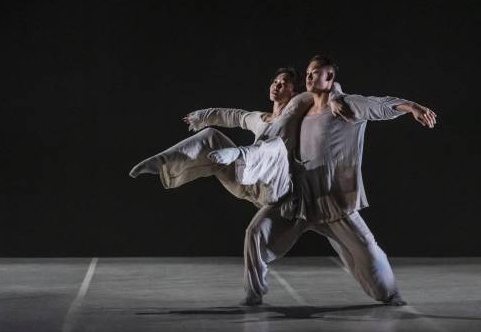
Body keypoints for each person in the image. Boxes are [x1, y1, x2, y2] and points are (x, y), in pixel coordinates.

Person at [238, 55, 437, 306]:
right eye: (308, 73)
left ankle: (388, 293)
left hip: (332, 198)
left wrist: (412, 107)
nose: (309, 76)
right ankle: (253, 295)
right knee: (255, 232)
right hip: (298, 198)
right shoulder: (303, 105)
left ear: (330, 77)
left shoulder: (346, 106)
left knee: (367, 253)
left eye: (316, 73)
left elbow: (378, 105)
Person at [129, 67, 348, 208]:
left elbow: (330, 85)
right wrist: (202, 117)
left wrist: (336, 97)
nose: (276, 85)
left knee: (275, 146)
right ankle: (163, 162)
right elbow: (233, 115)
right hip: (247, 182)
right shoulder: (259, 118)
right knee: (211, 136)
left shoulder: (297, 105)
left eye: (283, 83)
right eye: (274, 81)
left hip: (276, 186)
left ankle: (237, 154)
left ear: (294, 90)